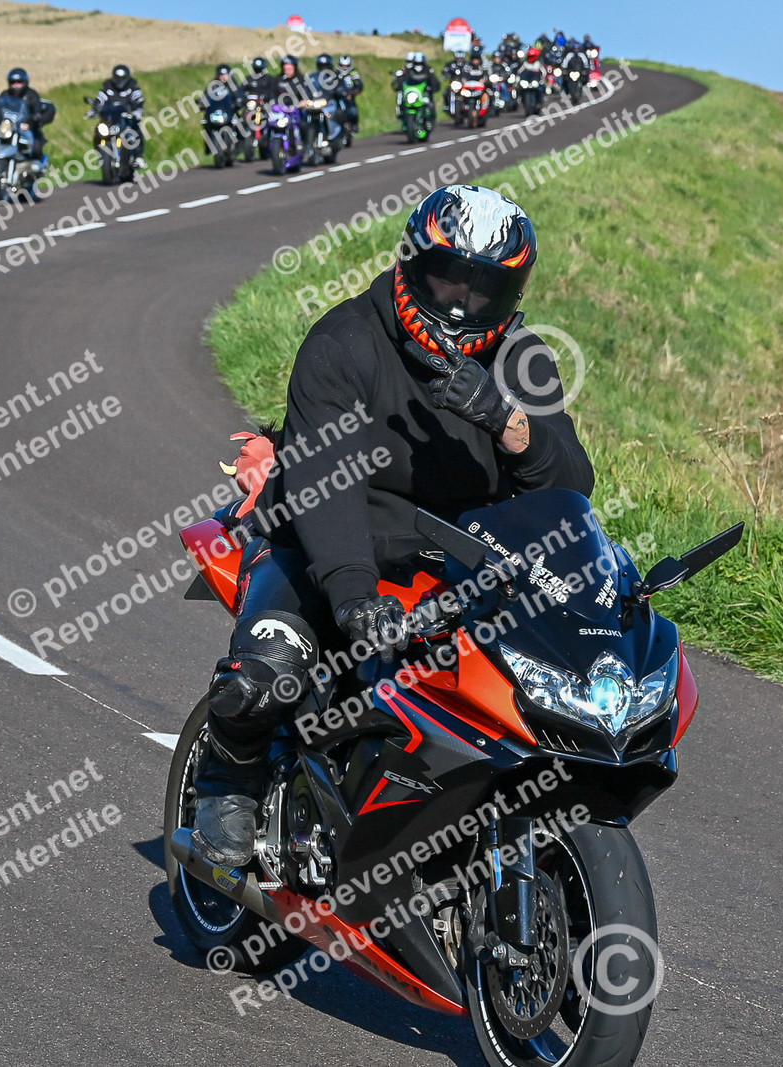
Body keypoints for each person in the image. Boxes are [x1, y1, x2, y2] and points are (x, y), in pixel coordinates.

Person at [190, 184, 594, 867]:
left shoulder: (521, 359)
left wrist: (509, 422)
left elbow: (572, 489)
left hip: (461, 566)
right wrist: (353, 595)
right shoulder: (345, 341)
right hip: (327, 546)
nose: (463, 301)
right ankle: (226, 777)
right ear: (412, 264)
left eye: (486, 288)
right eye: (448, 276)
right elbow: (324, 487)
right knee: (268, 672)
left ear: (513, 292)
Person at [94, 64, 145, 168]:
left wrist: (137, 110)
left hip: (127, 117)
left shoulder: (132, 84)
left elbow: (137, 96)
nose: (119, 81)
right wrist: (95, 107)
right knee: (99, 132)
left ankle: (138, 157)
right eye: (117, 78)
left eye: (122, 78)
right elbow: (101, 98)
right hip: (110, 118)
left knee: (136, 130)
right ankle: (102, 156)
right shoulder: (108, 85)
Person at [3, 68, 53, 171]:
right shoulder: (5, 95)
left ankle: (36, 165)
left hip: (27, 127)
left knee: (36, 145)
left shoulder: (32, 95)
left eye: (19, 83)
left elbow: (37, 110)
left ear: (25, 82)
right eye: (13, 83)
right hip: (9, 128)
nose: (16, 85)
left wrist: (32, 120)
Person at [392, 51, 439, 133]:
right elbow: (401, 80)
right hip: (412, 93)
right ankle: (404, 120)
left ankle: (429, 120)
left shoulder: (428, 70)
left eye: (420, 63)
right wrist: (398, 85)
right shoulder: (408, 70)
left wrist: (432, 87)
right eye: (416, 63)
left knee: (430, 104)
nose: (418, 65)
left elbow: (434, 81)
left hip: (424, 94)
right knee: (402, 103)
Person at [335, 55, 362, 144]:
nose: (344, 68)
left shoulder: (354, 74)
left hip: (349, 97)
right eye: (343, 65)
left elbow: (359, 85)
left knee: (353, 111)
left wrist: (352, 93)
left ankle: (354, 125)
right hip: (338, 97)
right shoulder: (335, 74)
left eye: (346, 66)